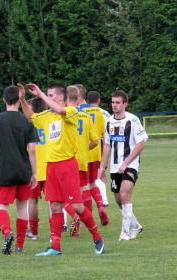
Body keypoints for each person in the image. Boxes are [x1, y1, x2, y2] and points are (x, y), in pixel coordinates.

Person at [20, 83, 105, 256]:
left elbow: (60, 111)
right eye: (48, 95)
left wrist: (41, 93)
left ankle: (98, 239)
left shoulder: (72, 112)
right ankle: (55, 247)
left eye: (51, 95)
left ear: (61, 97)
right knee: (55, 205)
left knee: (77, 205)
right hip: (51, 166)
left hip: (67, 165)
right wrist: (22, 99)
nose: (48, 98)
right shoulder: (47, 116)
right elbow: (30, 117)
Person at [0, 85, 37, 254]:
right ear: (19, 100)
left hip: (4, 169)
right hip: (23, 169)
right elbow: (32, 150)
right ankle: (20, 244)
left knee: (2, 206)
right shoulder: (27, 121)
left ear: (4, 100)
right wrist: (34, 173)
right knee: (22, 207)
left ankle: (7, 232)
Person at [98, 90, 148, 241]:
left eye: (117, 102)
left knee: (125, 194)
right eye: (113, 102)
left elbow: (140, 144)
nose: (114, 105)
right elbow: (107, 145)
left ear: (125, 104)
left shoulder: (132, 121)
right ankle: (136, 226)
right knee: (119, 199)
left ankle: (124, 233)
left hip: (130, 164)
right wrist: (101, 167)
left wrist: (126, 163)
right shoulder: (108, 122)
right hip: (114, 166)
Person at [64, 85, 104, 238]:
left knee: (61, 196)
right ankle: (94, 213)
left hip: (67, 159)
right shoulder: (89, 114)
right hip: (86, 158)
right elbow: (97, 140)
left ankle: (75, 216)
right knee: (86, 186)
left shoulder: (65, 114)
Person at [25, 97, 49, 241]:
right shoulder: (51, 120)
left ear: (32, 109)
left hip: (33, 168)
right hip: (49, 166)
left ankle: (34, 232)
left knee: (32, 200)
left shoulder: (29, 124)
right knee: (52, 202)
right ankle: (54, 234)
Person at [87, 90, 110, 206]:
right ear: (98, 100)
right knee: (98, 175)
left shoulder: (82, 111)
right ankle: (104, 200)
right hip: (101, 147)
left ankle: (89, 200)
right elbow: (106, 134)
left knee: (88, 178)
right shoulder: (104, 113)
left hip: (86, 147)